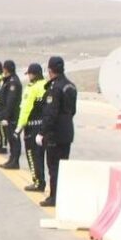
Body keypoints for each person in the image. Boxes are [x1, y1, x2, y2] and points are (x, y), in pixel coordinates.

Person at [38, 56, 77, 207]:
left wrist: (42, 132)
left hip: (54, 134)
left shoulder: (55, 88)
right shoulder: (71, 86)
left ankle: (54, 197)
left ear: (50, 70)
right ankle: (61, 195)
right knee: (63, 166)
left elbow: (50, 114)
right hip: (67, 132)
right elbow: (72, 111)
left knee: (54, 167)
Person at [14, 63, 46, 191]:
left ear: (33, 74)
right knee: (41, 156)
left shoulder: (31, 88)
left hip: (32, 127)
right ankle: (41, 180)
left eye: (29, 74)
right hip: (43, 127)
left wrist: (19, 127)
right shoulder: (46, 86)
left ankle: (37, 182)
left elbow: (26, 110)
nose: (28, 77)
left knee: (32, 155)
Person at [0, 60, 22, 170]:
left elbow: (11, 101)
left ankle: (15, 161)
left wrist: (6, 116)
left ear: (6, 69)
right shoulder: (8, 80)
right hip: (9, 115)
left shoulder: (13, 82)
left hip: (12, 116)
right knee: (11, 139)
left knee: (14, 139)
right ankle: (11, 159)